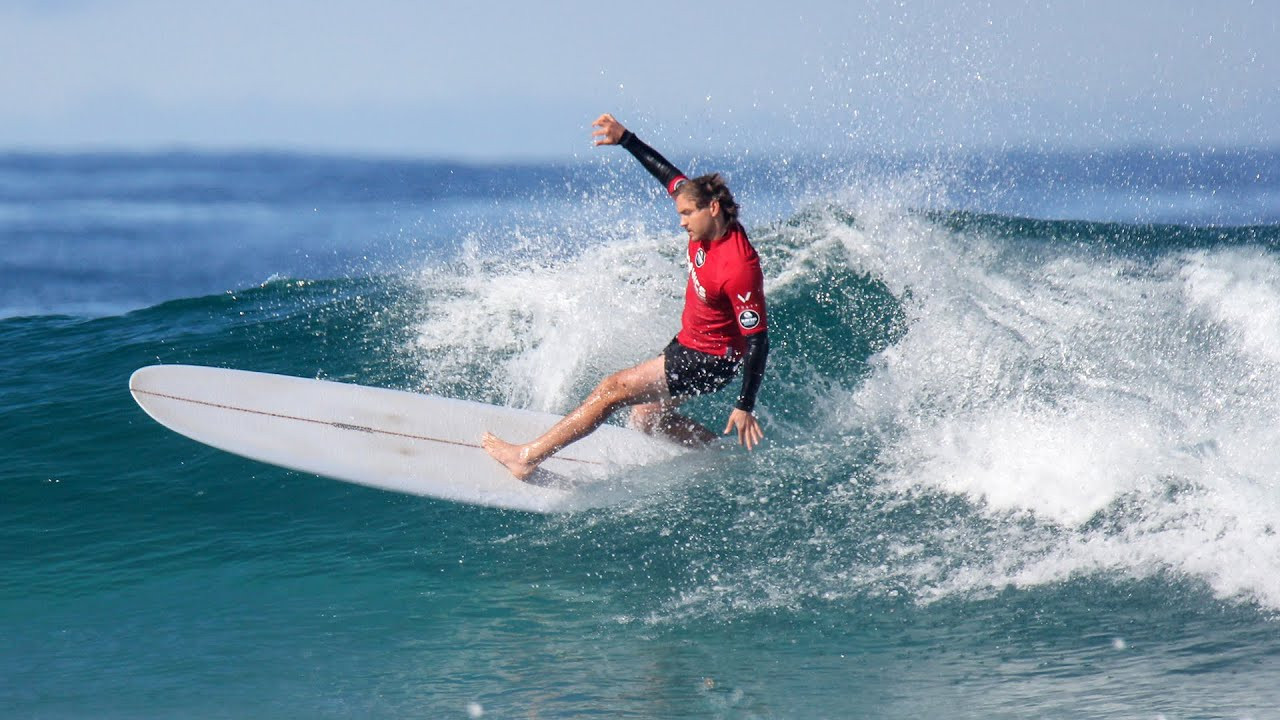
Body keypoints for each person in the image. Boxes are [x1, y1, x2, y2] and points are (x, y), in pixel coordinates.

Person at [482, 113, 770, 481]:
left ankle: (527, 457)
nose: (681, 221)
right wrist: (625, 138)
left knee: (611, 389)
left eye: (686, 214)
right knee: (646, 418)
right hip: (689, 343)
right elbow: (668, 174)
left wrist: (744, 405)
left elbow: (758, 339)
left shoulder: (739, 265)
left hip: (709, 359)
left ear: (712, 209)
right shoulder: (704, 218)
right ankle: (723, 456)